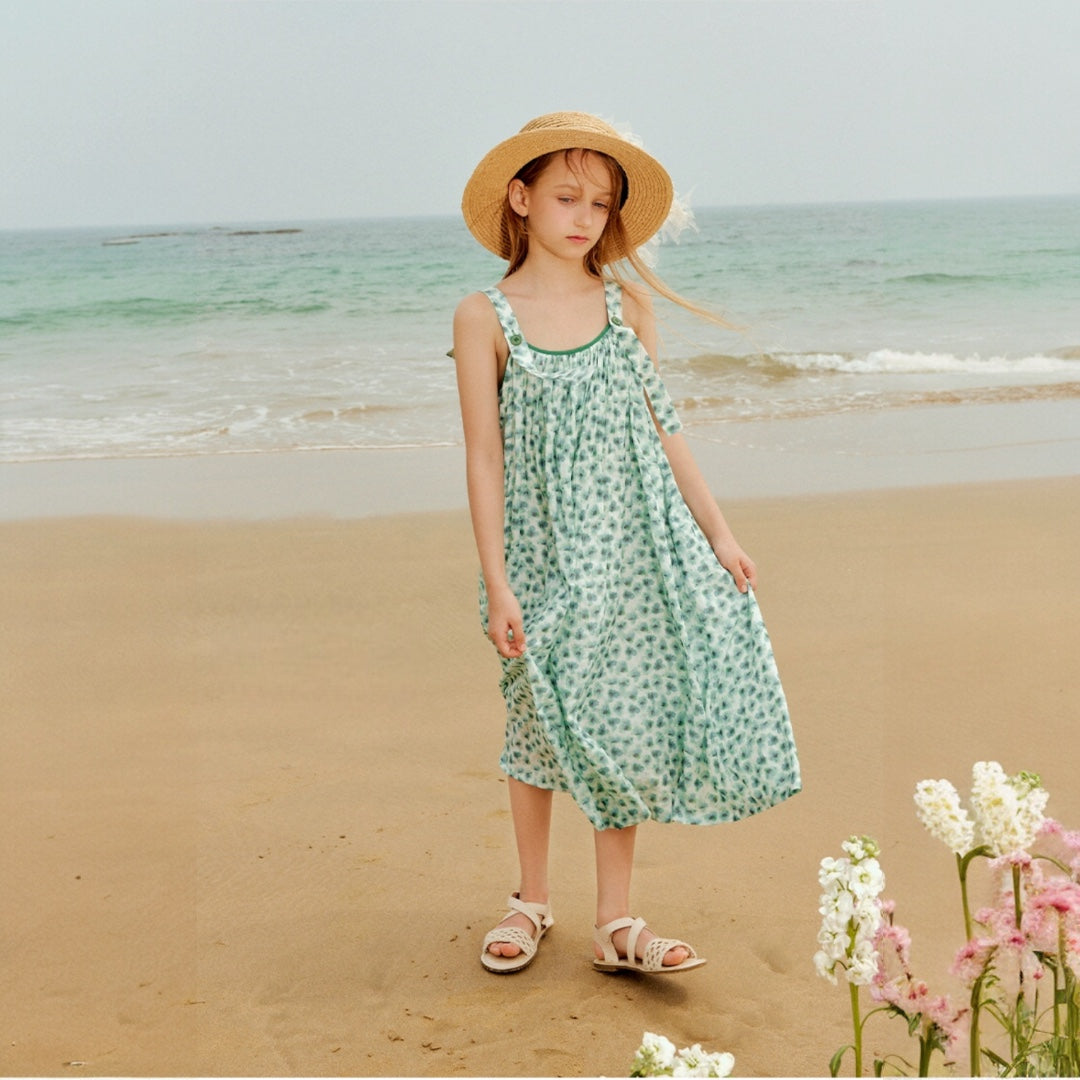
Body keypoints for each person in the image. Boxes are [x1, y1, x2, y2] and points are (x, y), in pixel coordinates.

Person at [453, 112, 800, 976]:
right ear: (520, 197)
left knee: (624, 720)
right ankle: (530, 902)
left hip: (634, 546)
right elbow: (484, 458)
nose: (584, 217)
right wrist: (495, 581)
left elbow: (666, 428)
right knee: (535, 717)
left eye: (601, 204)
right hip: (540, 554)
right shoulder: (483, 316)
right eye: (566, 196)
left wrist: (720, 534)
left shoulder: (626, 306)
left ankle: (616, 922)